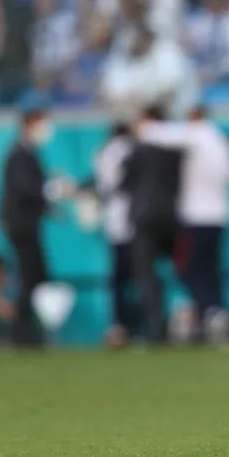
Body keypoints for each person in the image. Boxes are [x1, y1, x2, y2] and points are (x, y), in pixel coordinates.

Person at [0, 106, 70, 346]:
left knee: (36, 276)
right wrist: (54, 190)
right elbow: (27, 187)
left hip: (28, 224)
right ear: (29, 124)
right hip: (21, 226)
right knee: (30, 277)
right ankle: (21, 332)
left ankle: (28, 330)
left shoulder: (28, 153)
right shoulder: (19, 154)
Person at [121, 106, 186, 343]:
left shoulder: (137, 151)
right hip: (171, 219)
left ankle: (157, 327)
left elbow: (123, 182)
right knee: (176, 273)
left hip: (144, 219)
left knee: (146, 275)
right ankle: (176, 323)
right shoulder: (176, 152)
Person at [175, 105, 229, 342]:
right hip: (220, 215)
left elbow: (156, 133)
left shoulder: (192, 135)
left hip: (195, 216)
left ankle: (209, 310)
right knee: (211, 268)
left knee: (189, 269)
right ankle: (216, 311)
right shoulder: (221, 141)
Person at [93, 122, 136, 347]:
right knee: (141, 278)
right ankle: (140, 327)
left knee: (119, 282)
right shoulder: (134, 149)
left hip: (116, 224)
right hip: (137, 223)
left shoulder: (104, 153)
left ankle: (119, 326)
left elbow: (103, 188)